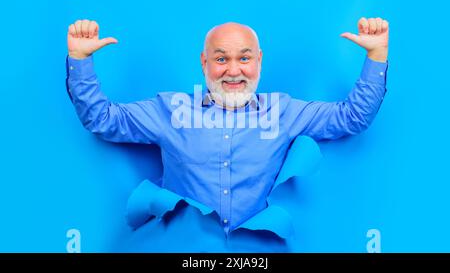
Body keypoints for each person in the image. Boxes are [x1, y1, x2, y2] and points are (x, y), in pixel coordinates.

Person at [66, 18, 389, 235]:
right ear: (204, 63)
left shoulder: (284, 111)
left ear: (259, 61)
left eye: (244, 58)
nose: (233, 70)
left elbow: (351, 118)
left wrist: (376, 54)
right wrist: (80, 60)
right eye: (221, 59)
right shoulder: (169, 110)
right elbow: (103, 120)